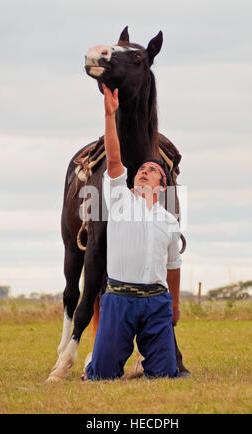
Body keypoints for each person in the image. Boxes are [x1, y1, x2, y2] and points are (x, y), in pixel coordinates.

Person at [84, 83, 182, 380]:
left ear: (162, 186)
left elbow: (173, 267)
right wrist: (109, 115)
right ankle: (98, 358)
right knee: (102, 376)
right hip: (119, 300)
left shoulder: (170, 222)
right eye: (142, 169)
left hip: (156, 302)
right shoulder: (119, 199)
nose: (144, 170)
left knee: (165, 376)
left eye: (153, 171)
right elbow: (114, 159)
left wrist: (175, 305)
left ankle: (147, 360)